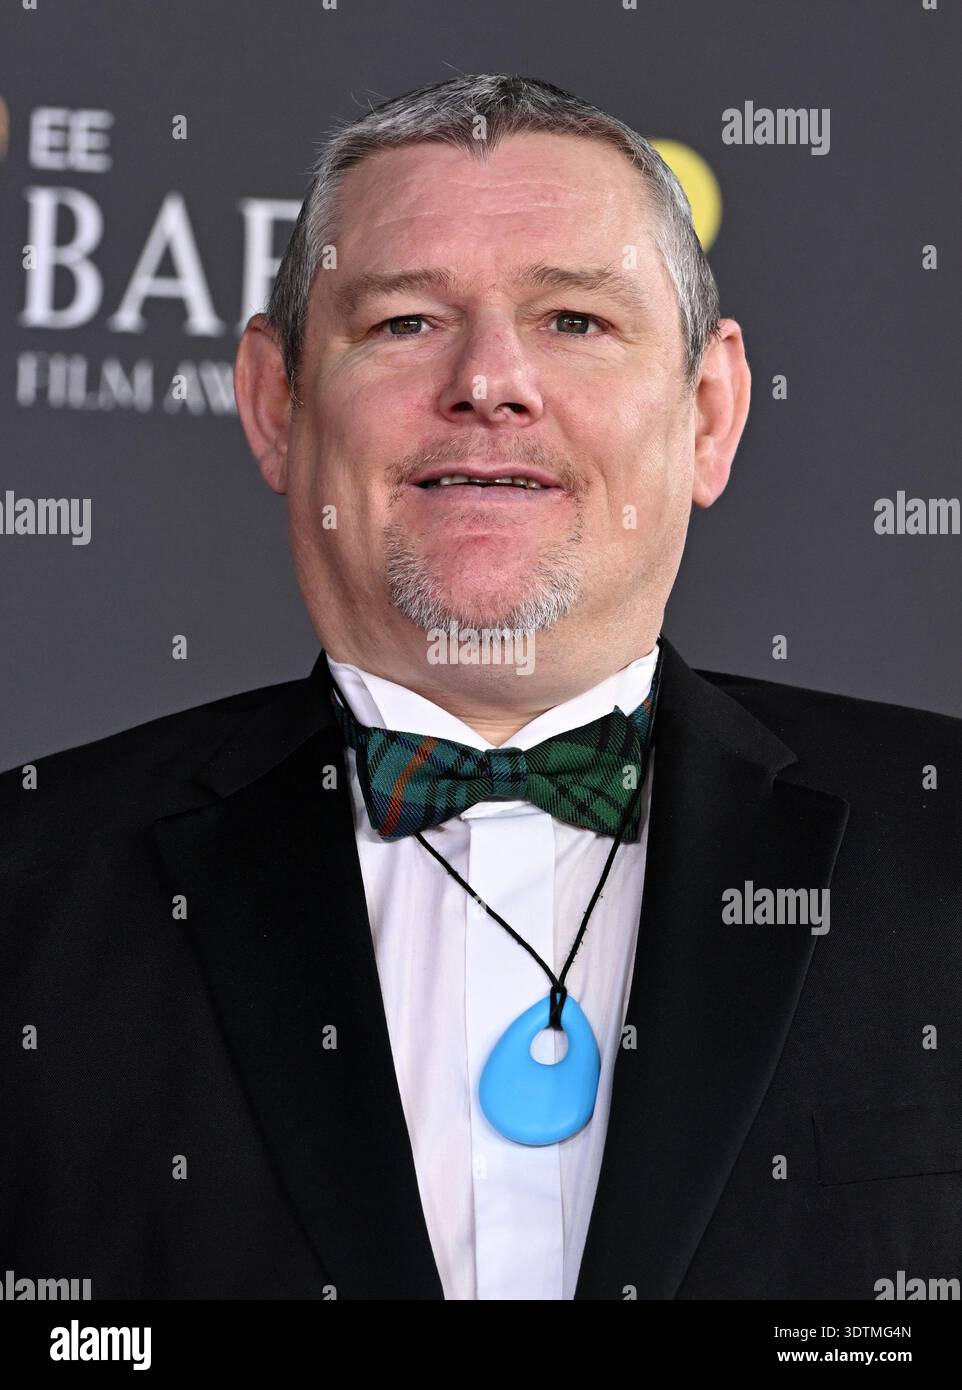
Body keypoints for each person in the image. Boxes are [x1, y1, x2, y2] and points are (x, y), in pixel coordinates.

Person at [2, 73, 960, 1302]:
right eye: (404, 322)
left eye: (573, 320)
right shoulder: (26, 888)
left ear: (708, 412)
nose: (489, 381)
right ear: (274, 403)